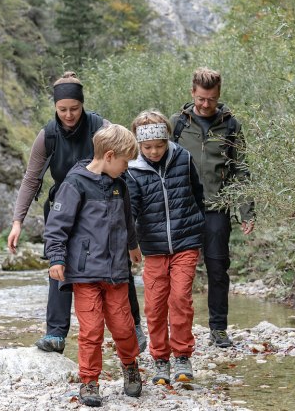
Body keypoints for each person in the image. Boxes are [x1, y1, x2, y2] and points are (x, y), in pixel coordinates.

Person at [7, 71, 146, 354]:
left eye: (74, 109)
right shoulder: (47, 135)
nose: (69, 115)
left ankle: (133, 326)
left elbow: (124, 162)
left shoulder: (101, 127)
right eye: (62, 110)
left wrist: (133, 235)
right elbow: (31, 178)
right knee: (58, 264)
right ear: (55, 108)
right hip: (65, 206)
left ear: (82, 105)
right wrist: (17, 221)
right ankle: (56, 334)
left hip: (103, 204)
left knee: (118, 261)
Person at [43, 124, 143, 407]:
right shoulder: (74, 185)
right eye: (125, 162)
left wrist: (133, 247)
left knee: (124, 326)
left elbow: (127, 220)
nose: (127, 168)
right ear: (110, 156)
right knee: (91, 330)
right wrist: (56, 258)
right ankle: (89, 381)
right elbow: (56, 227)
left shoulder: (119, 185)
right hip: (85, 274)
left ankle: (130, 366)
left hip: (116, 273)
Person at [168, 67, 255, 348]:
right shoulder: (177, 125)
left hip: (217, 208)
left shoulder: (231, 126)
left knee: (218, 269)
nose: (206, 105)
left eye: (212, 99)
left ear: (219, 95)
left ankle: (218, 329)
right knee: (180, 273)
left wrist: (246, 211)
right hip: (183, 209)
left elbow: (241, 170)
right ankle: (179, 331)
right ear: (192, 92)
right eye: (202, 98)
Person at [124, 110, 205, 385]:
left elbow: (197, 191)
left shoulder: (182, 157)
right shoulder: (132, 170)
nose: (154, 151)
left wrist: (200, 227)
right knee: (156, 306)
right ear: (138, 144)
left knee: (180, 299)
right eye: (148, 147)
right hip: (153, 248)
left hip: (186, 242)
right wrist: (130, 243)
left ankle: (182, 355)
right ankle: (161, 359)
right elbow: (131, 210)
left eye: (159, 145)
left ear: (167, 139)